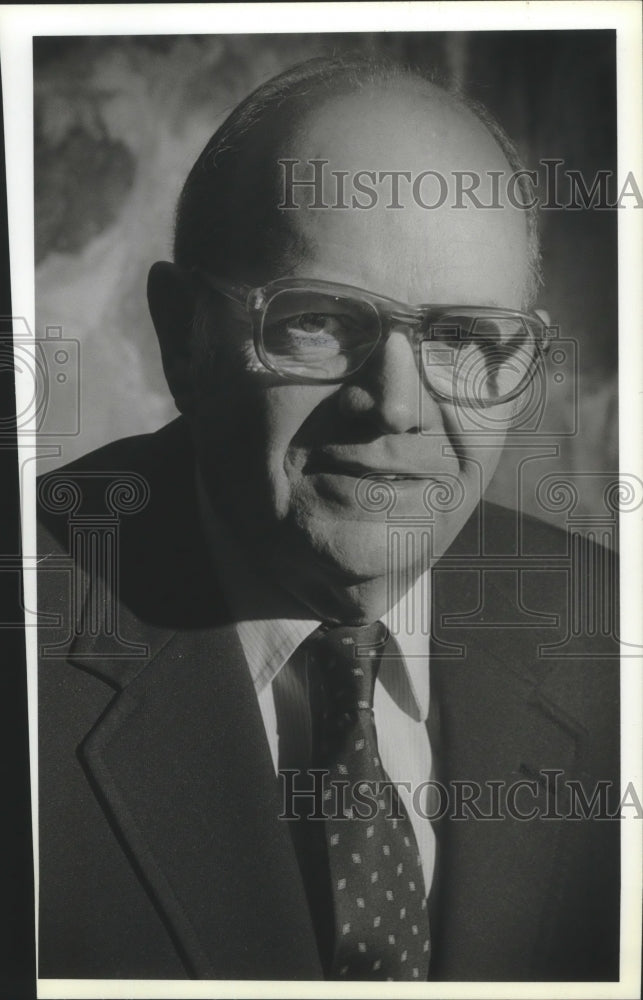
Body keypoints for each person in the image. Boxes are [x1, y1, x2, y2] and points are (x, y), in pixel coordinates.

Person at [37, 55, 619, 982]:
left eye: (463, 337)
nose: (395, 406)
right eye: (318, 321)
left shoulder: (612, 639)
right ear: (183, 334)